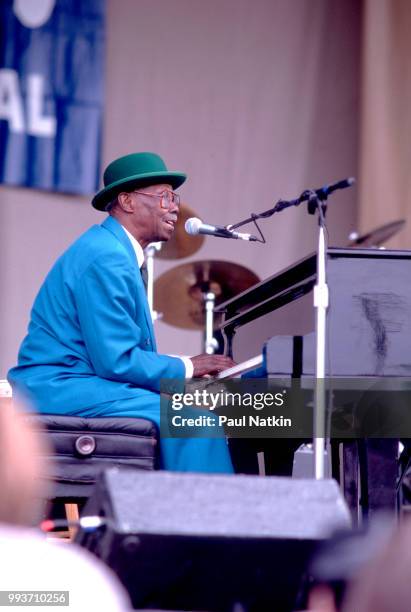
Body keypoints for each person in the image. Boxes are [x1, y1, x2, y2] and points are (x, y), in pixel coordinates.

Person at [8, 152, 235, 472]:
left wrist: (182, 377)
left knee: (215, 408)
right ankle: (202, 521)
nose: (174, 207)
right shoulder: (106, 256)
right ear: (127, 201)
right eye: (164, 196)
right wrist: (186, 367)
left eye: (174, 197)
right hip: (64, 388)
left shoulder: (111, 250)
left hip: (84, 384)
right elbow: (116, 360)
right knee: (195, 423)